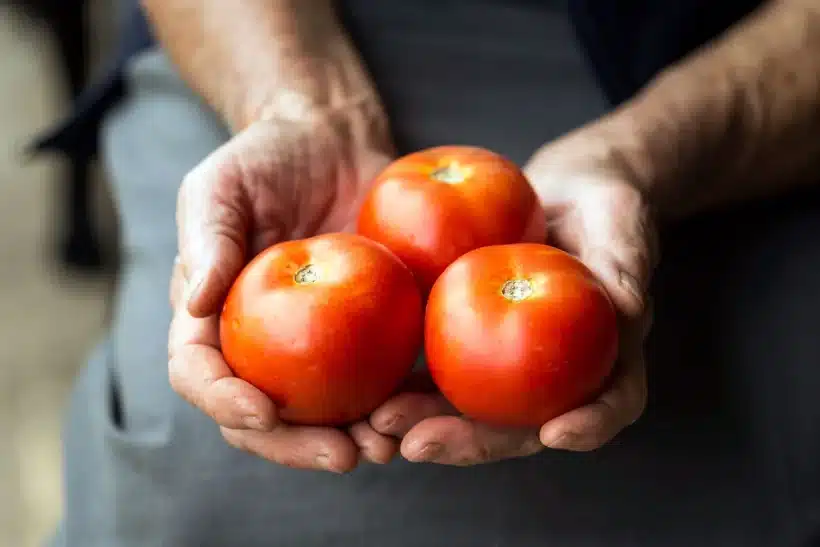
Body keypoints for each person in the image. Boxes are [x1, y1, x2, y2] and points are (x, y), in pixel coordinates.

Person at [42, 0, 820, 545]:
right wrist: (299, 105)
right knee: (187, 467)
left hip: (715, 55)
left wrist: (639, 156)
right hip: (280, 33)